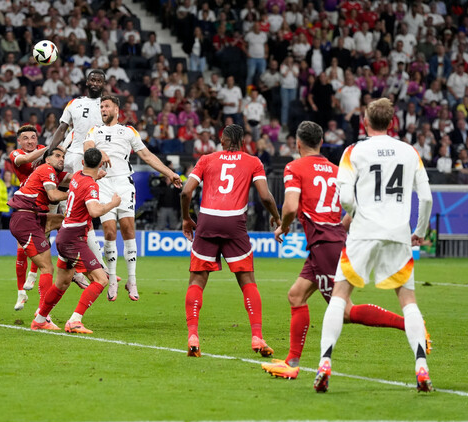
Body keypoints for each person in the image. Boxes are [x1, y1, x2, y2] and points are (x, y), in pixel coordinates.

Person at [262, 121, 415, 380]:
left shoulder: (293, 167)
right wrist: (338, 230)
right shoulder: (337, 170)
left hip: (324, 244)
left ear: (297, 144)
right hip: (328, 242)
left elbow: (290, 207)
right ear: (321, 142)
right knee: (296, 295)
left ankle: (409, 324)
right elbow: (355, 209)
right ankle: (291, 361)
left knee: (344, 311)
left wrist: (283, 227)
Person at [314, 98, 434, 393]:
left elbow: (345, 197)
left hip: (364, 232)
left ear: (365, 122)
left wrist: (356, 214)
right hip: (398, 233)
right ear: (392, 123)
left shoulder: (353, 151)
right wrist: (419, 232)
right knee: (408, 301)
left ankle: (325, 362)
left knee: (340, 296)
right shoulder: (409, 152)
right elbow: (426, 198)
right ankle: (421, 366)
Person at [180, 124, 282, 357]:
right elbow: (265, 196)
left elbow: (186, 192)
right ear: (243, 142)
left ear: (222, 141)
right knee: (247, 281)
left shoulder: (206, 159)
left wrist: (186, 218)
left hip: (207, 220)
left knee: (197, 280)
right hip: (235, 222)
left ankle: (193, 335)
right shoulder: (253, 162)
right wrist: (277, 218)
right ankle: (257, 337)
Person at [84, 95, 182, 301]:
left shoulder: (128, 131)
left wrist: (169, 173)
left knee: (128, 229)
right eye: (101, 106)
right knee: (109, 231)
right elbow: (87, 148)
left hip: (123, 184)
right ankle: (112, 279)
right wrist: (99, 152)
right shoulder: (95, 130)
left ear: (116, 110)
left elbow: (147, 156)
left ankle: (132, 280)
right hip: (103, 184)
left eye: (107, 106)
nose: (103, 109)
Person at [31, 148, 121, 333]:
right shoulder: (91, 185)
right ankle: (75, 320)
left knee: (62, 283)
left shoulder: (78, 176)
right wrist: (113, 204)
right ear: (100, 165)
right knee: (100, 279)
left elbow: (85, 183)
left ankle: (40, 320)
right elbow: (94, 211)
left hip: (64, 235)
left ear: (82, 162)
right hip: (74, 239)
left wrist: (96, 176)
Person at [49, 69, 112, 284]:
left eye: (99, 80)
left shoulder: (107, 106)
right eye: (92, 79)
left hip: (94, 161)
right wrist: (49, 152)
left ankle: (83, 266)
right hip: (75, 158)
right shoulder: (74, 103)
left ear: (103, 84)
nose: (95, 83)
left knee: (79, 217)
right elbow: (62, 129)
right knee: (72, 214)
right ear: (86, 82)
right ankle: (95, 266)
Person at [8, 147, 69, 312]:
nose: (61, 159)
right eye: (57, 156)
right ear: (47, 159)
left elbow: (72, 177)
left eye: (63, 157)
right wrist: (74, 194)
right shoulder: (46, 169)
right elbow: (53, 196)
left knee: (65, 221)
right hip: (25, 219)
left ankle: (72, 262)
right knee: (47, 268)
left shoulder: (51, 173)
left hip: (32, 217)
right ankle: (42, 314)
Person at [8, 125, 50, 303]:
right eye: (25, 138)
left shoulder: (43, 149)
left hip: (44, 202)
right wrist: (50, 148)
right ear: (19, 141)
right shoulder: (16, 154)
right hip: (25, 203)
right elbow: (27, 159)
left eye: (33, 137)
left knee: (42, 242)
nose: (30, 141)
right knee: (21, 249)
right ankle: (20, 293)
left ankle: (33, 274)